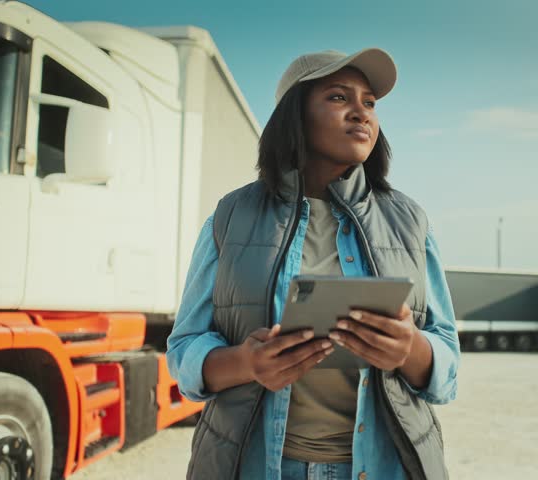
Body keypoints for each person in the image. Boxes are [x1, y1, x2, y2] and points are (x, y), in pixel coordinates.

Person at [167, 48, 460, 480]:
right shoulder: (230, 218)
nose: (362, 113)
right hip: (257, 467)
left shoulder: (412, 222)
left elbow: (447, 360)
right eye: (340, 97)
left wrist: (409, 349)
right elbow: (184, 347)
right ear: (295, 114)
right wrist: (247, 364)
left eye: (370, 103)